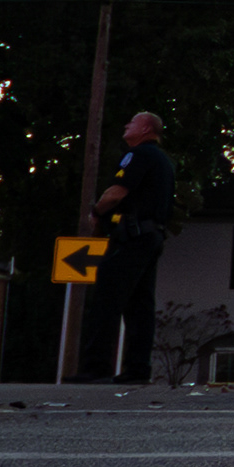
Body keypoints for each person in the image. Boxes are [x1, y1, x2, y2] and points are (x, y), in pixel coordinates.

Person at [78, 111, 175, 384]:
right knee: (140, 306)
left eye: (131, 121)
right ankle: (137, 370)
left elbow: (117, 192)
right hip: (152, 236)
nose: (126, 124)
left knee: (107, 300)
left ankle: (96, 367)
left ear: (145, 129)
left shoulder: (139, 155)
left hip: (132, 238)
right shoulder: (164, 162)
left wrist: (96, 211)